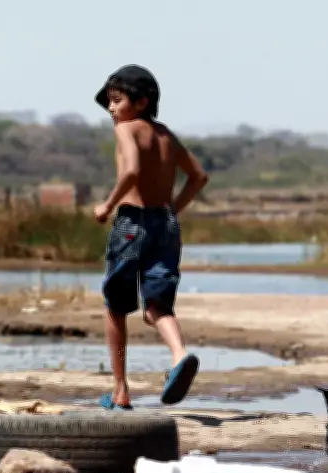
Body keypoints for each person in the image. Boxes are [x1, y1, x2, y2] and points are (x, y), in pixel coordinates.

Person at [92, 64, 210, 410]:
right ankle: (179, 355)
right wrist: (172, 209)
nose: (111, 110)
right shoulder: (166, 135)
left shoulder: (127, 129)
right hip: (166, 225)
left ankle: (120, 389)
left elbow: (131, 170)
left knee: (116, 307)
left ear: (141, 102)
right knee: (157, 305)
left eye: (116, 101)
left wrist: (108, 205)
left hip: (131, 224)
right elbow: (199, 177)